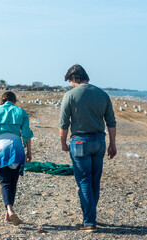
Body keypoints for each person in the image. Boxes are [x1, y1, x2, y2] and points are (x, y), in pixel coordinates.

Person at [59, 64, 117, 232]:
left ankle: (89, 221)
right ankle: (90, 215)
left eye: (70, 81)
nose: (70, 84)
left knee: (84, 181)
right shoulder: (102, 94)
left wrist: (63, 142)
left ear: (75, 79)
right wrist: (113, 144)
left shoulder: (69, 95)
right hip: (99, 141)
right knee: (94, 181)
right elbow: (111, 122)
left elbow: (64, 123)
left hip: (79, 142)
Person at [0, 91, 33, 226]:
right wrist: (29, 151)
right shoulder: (21, 112)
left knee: (5, 182)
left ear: (2, 100)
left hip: (2, 147)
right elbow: (26, 134)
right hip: (18, 147)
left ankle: (9, 210)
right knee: (13, 181)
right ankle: (8, 215)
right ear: (15, 101)